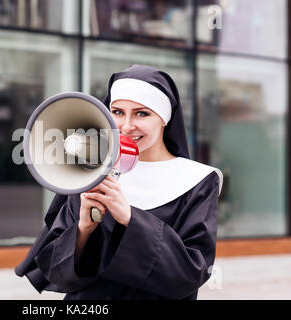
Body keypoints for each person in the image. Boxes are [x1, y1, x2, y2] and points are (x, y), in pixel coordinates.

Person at [15, 64, 223, 300]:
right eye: (117, 112)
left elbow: (190, 274)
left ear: (164, 118)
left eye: (142, 113)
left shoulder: (197, 181)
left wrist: (130, 218)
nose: (126, 126)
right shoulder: (93, 172)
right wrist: (84, 229)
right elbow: (57, 273)